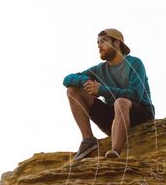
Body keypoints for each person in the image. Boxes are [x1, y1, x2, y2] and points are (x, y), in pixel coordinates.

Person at [63, 28, 155, 161]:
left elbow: (135, 95)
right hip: (113, 119)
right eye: (97, 43)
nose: (99, 46)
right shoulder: (99, 69)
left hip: (140, 114)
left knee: (121, 102)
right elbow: (67, 79)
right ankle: (88, 140)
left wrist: (102, 90)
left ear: (117, 43)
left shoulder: (134, 63)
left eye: (103, 41)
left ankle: (115, 152)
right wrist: (86, 81)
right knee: (73, 90)